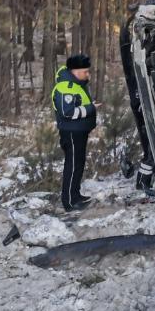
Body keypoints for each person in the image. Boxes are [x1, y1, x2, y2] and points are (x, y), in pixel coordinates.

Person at [51, 54, 98, 212]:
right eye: (85, 71)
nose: (87, 75)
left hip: (79, 131)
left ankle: (75, 195)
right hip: (72, 133)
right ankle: (70, 202)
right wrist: (91, 108)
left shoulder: (77, 84)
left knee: (78, 165)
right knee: (72, 166)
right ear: (75, 71)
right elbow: (68, 112)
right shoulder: (66, 87)